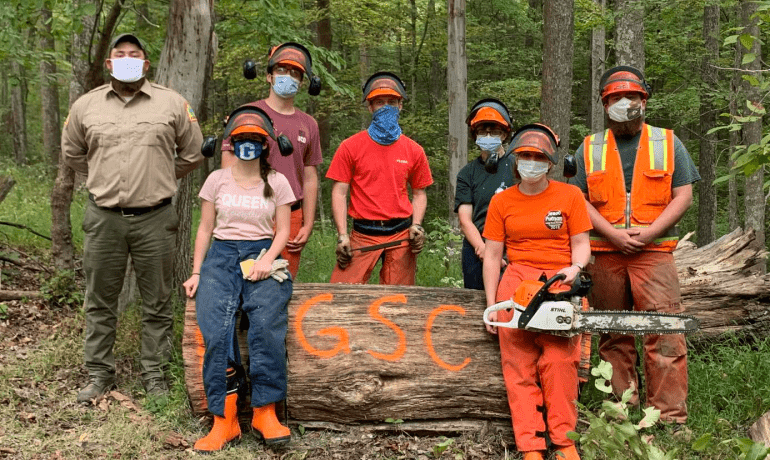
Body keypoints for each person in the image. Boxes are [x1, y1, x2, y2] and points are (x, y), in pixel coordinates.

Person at [61, 33, 203, 403]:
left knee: (156, 300)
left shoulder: (171, 104)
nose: (127, 59)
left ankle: (154, 376)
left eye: (134, 54)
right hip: (103, 217)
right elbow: (73, 153)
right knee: (99, 300)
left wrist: (159, 175)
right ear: (109, 64)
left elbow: (193, 153)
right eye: (119, 54)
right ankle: (98, 374)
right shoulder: (86, 106)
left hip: (155, 219)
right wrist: (102, 178)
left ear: (145, 63)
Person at [572, 65, 700, 425]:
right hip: (605, 255)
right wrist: (611, 233)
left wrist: (650, 232)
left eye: (630, 97)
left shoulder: (668, 141)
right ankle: (621, 417)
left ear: (643, 100)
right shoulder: (590, 146)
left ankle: (670, 419)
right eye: (615, 98)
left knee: (666, 334)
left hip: (654, 254)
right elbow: (577, 199)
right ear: (604, 103)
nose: (623, 103)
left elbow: (684, 195)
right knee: (614, 337)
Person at [183, 106, 295, 451]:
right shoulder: (217, 179)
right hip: (221, 252)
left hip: (262, 251)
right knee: (215, 325)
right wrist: (197, 271)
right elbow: (204, 228)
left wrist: (267, 260)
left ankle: (265, 410)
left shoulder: (277, 181)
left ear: (267, 143)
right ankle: (225, 418)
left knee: (266, 320)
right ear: (230, 142)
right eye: (241, 138)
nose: (248, 144)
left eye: (255, 139)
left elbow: (283, 232)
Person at [483, 124, 591, 460]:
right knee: (518, 365)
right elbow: (491, 255)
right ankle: (529, 444)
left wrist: (575, 269)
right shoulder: (502, 201)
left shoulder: (570, 196)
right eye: (526, 156)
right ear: (515, 160)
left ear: (550, 161)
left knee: (560, 361)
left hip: (558, 280)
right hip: (515, 283)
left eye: (538, 156)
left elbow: (582, 245)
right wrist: (491, 304)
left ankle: (563, 440)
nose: (531, 162)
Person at [221, 42, 322, 280]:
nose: (288, 76)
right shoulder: (246, 114)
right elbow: (227, 163)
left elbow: (309, 176)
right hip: (251, 210)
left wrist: (308, 223)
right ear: (269, 76)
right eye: (282, 70)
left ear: (303, 81)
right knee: (243, 278)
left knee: (281, 281)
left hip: (292, 213)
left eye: (295, 73)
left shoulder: (308, 124)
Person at [326, 71, 433, 285]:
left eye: (392, 101)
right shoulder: (350, 146)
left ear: (401, 105)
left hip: (401, 235)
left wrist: (418, 225)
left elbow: (420, 193)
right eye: (379, 102)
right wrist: (342, 234)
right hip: (363, 234)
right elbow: (339, 192)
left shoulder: (414, 150)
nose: (386, 107)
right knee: (341, 294)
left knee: (399, 300)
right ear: (370, 107)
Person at [454, 98, 516, 290]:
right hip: (476, 248)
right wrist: (484, 250)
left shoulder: (518, 166)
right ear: (475, 134)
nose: (488, 135)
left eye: (494, 130)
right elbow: (465, 220)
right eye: (483, 131)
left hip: (514, 248)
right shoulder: (467, 173)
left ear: (505, 133)